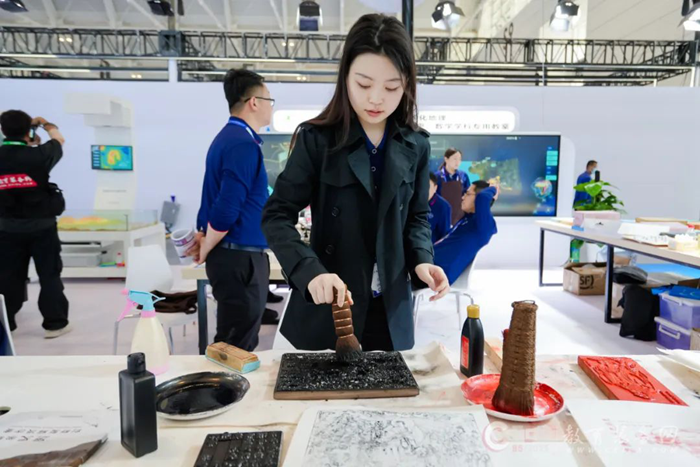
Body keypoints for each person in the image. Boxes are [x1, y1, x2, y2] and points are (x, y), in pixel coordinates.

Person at [262, 14, 449, 352]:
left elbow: (417, 217)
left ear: (407, 84)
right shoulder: (316, 139)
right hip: (330, 305)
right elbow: (276, 215)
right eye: (364, 84)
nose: (376, 98)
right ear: (345, 76)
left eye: (391, 87)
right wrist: (309, 270)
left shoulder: (416, 145)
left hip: (390, 309)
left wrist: (422, 259)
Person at [189, 69, 274, 351]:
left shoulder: (228, 138)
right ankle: (222, 381)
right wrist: (206, 246)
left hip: (235, 256)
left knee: (234, 338)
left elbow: (215, 199)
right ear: (254, 102)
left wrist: (205, 237)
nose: (272, 107)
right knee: (235, 345)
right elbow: (227, 207)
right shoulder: (242, 144)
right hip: (239, 258)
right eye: (270, 100)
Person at [0, 110, 71, 338]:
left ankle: (6, 324)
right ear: (28, 131)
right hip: (42, 227)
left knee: (8, 276)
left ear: (3, 130)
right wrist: (45, 124)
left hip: (7, 228)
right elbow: (59, 139)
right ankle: (55, 324)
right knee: (49, 275)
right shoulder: (40, 155)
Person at [433, 181, 499, 285]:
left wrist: (494, 189)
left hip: (436, 273)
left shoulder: (483, 226)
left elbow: (482, 197)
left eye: (467, 194)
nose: (462, 197)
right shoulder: (466, 220)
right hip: (427, 264)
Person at [435, 147, 471, 225]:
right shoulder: (437, 176)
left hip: (459, 217)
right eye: (455, 159)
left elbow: (468, 195)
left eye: (459, 159)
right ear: (446, 159)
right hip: (441, 216)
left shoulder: (463, 176)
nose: (457, 162)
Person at [428, 172, 451, 243]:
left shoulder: (443, 206)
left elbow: (444, 236)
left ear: (435, 188)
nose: (423, 190)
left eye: (428, 187)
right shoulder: (411, 200)